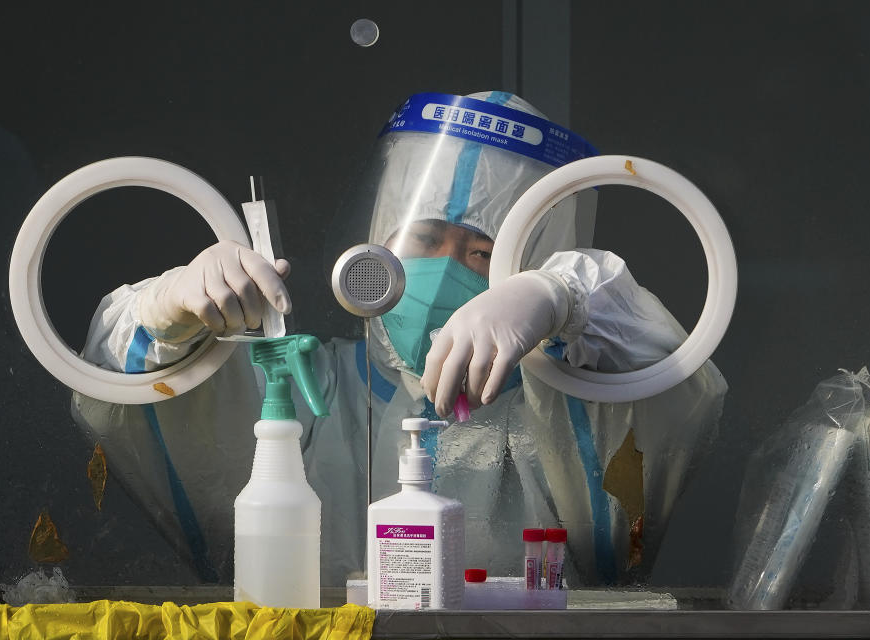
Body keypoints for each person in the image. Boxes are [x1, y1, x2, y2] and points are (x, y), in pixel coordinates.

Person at [73, 91, 727, 588]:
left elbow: (669, 374)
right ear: (379, 235)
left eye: (482, 253)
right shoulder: (306, 394)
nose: (444, 267)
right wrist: (168, 311)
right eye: (422, 239)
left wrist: (564, 296)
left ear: (533, 260)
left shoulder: (575, 415)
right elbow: (122, 384)